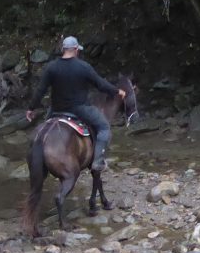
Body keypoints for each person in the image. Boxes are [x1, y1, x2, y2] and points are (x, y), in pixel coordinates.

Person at [26, 36, 126, 172]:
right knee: (104, 127)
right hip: (79, 109)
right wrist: (116, 91)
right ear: (75, 49)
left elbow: (40, 90)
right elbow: (100, 84)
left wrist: (31, 108)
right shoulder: (83, 67)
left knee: (46, 130)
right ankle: (98, 162)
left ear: (63, 49)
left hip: (56, 110)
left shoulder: (51, 67)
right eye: (78, 49)